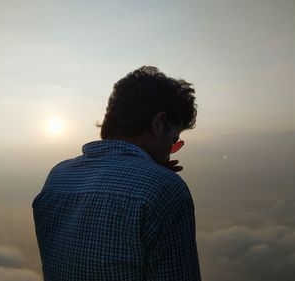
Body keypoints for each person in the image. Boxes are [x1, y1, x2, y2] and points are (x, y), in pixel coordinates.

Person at [32, 66, 201, 281]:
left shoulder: (57, 178)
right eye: (174, 140)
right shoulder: (165, 189)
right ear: (158, 123)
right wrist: (158, 181)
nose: (171, 151)